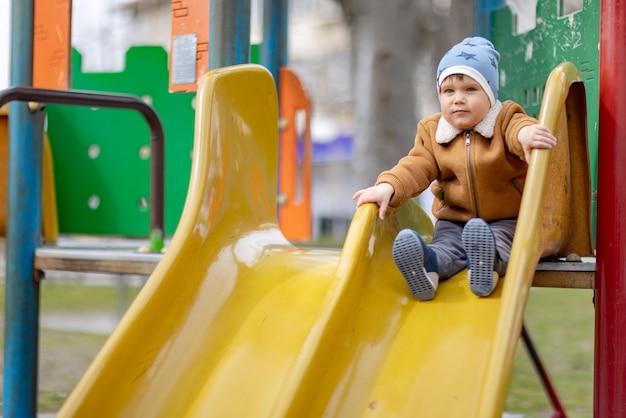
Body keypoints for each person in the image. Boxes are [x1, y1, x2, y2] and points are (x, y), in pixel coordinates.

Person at [352, 36, 557, 301]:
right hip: (454, 220)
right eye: (449, 92)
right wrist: (387, 187)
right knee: (445, 246)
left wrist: (526, 135)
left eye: (470, 90)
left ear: (489, 94)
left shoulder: (504, 118)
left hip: (506, 216)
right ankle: (429, 267)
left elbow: (518, 128)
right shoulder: (433, 131)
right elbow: (415, 166)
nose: (458, 99)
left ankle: (488, 266)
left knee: (501, 241)